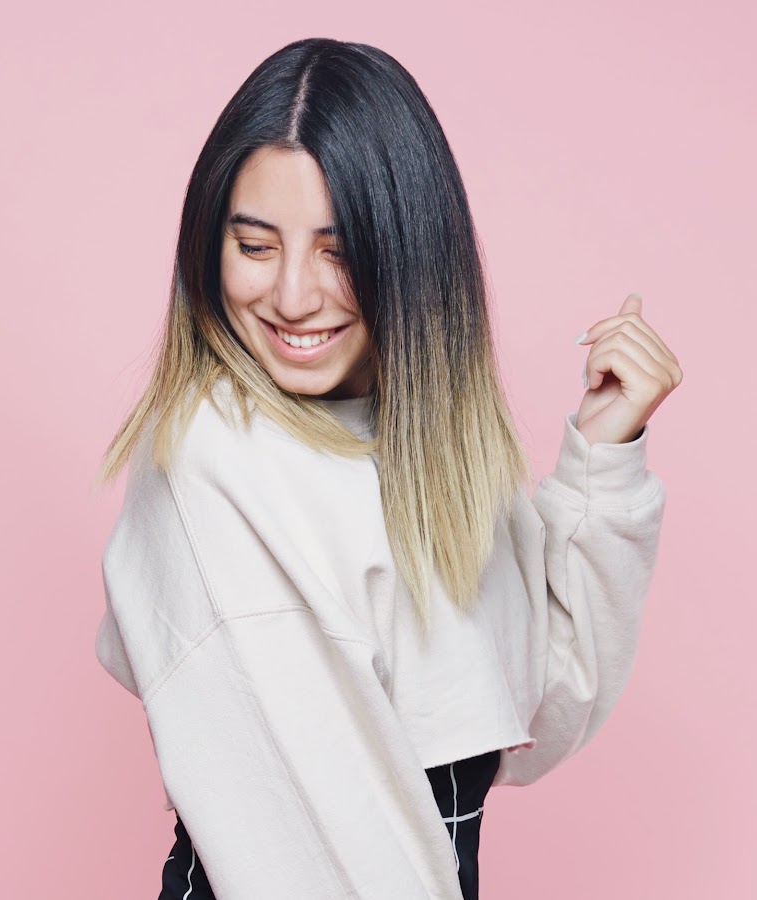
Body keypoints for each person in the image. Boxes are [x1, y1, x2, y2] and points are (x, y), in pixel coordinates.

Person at [92, 37, 681, 900]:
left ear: (412, 250)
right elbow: (315, 856)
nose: (293, 297)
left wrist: (601, 459)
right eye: (254, 246)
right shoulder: (213, 456)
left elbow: (543, 712)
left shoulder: (433, 455)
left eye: (338, 251)